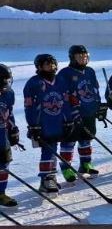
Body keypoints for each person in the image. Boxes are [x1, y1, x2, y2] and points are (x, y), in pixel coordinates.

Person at [23, 53, 75, 193]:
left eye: (52, 64)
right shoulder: (33, 83)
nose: (51, 66)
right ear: (39, 67)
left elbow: (65, 102)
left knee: (53, 149)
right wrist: (33, 125)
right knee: (48, 150)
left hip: (58, 122)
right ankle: (45, 180)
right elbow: (30, 106)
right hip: (43, 124)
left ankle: (52, 177)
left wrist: (68, 120)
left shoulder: (61, 81)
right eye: (47, 64)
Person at [54, 44, 101, 179]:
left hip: (88, 112)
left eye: (85, 56)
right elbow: (62, 95)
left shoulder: (90, 71)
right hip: (71, 115)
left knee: (86, 139)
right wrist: (71, 111)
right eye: (79, 56)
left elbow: (94, 89)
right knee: (69, 141)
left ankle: (86, 164)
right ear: (72, 58)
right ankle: (66, 168)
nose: (82, 58)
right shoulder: (65, 73)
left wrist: (97, 106)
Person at [0, 64, 19, 207]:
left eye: (8, 80)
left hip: (2, 134)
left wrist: (13, 130)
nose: (6, 83)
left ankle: (1, 193)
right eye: (3, 80)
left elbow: (9, 113)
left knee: (4, 162)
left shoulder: (9, 93)